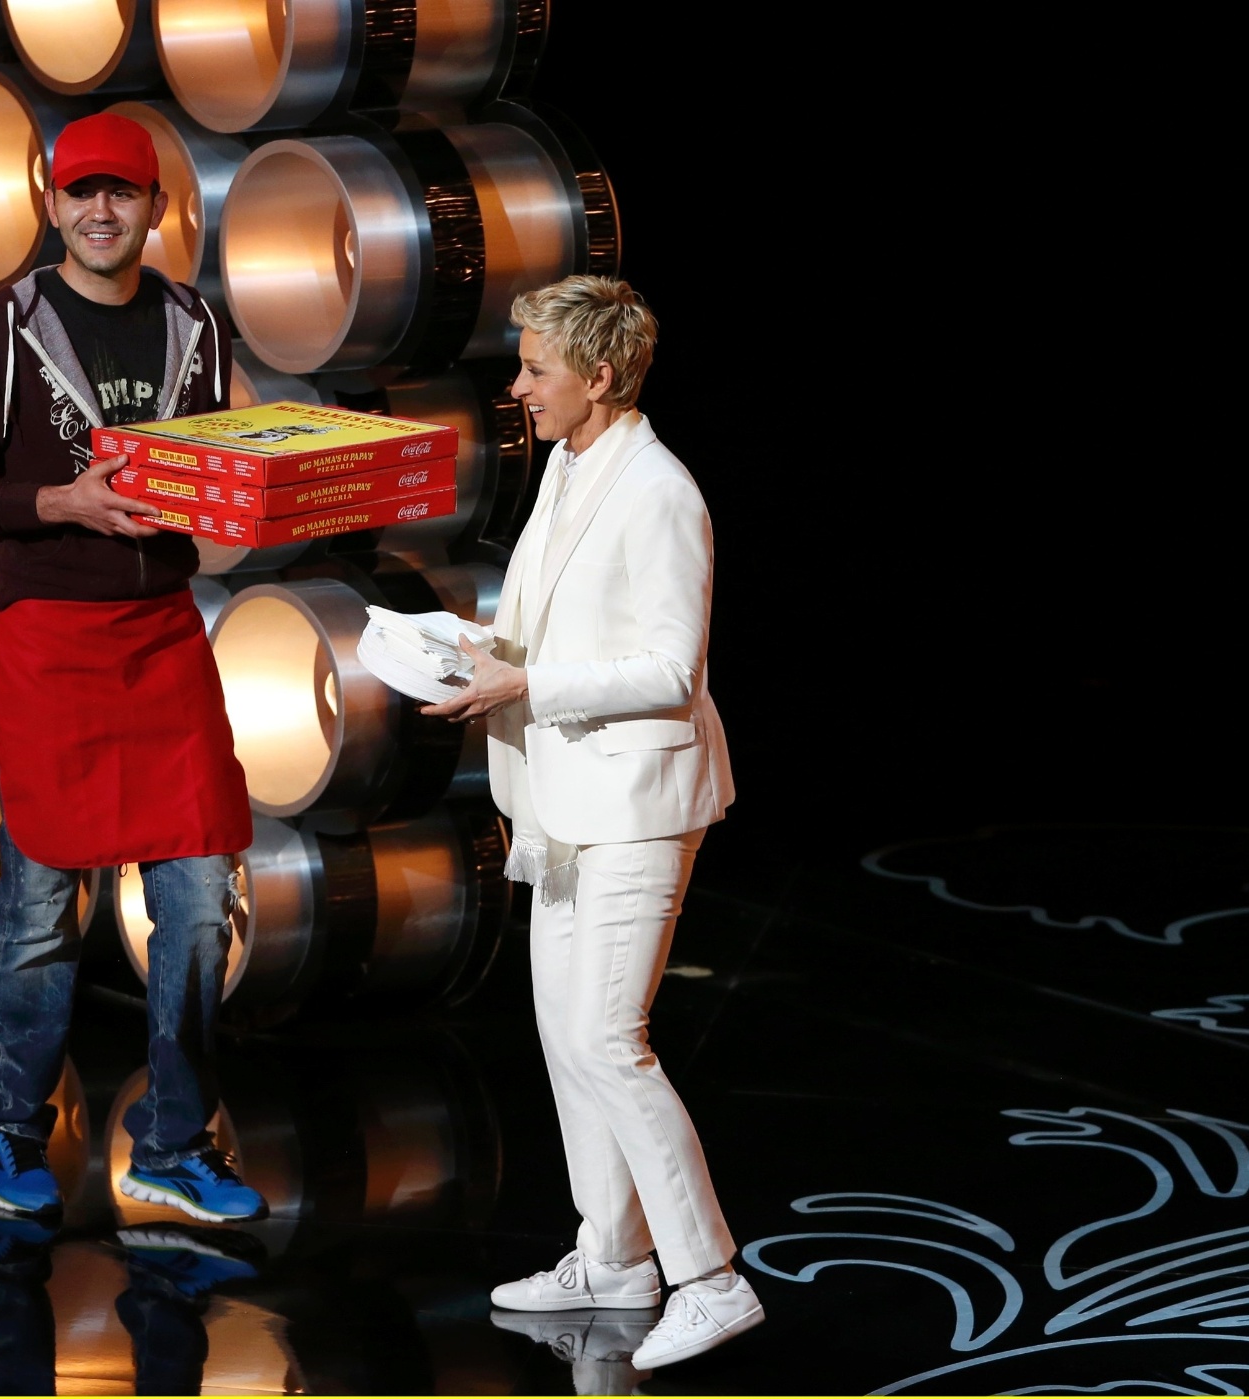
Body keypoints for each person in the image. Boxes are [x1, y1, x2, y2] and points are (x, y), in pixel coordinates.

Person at [0, 112, 265, 1226]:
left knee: (199, 903)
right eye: (81, 192)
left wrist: (264, 491)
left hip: (163, 635)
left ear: (158, 206)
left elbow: (207, 469)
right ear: (52, 205)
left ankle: (174, 1143)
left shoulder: (195, 324)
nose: (100, 210)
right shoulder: (0, 330)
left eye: (122, 192)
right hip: (48, 639)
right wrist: (58, 502)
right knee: (37, 905)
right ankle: (8, 1132)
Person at [422, 275, 762, 1370]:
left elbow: (670, 669)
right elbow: (562, 625)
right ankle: (614, 1257)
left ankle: (712, 1278)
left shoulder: (658, 490)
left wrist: (525, 685)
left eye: (536, 369)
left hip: (634, 806)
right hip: (564, 800)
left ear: (600, 376)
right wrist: (473, 653)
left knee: (612, 1039)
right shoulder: (573, 466)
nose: (518, 388)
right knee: (569, 1038)